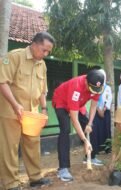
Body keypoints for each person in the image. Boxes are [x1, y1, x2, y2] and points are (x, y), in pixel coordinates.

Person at [0, 32, 55, 190]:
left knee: (33, 144)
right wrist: (15, 104)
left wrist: (44, 109)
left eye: (48, 52)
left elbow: (43, 90)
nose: (45, 54)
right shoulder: (14, 57)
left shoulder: (42, 64)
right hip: (11, 111)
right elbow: (2, 82)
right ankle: (10, 184)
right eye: (44, 50)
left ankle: (35, 178)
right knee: (9, 147)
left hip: (32, 113)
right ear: (34, 44)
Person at [52, 69, 105, 182]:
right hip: (61, 101)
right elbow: (74, 120)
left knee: (89, 126)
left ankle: (91, 157)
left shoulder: (97, 86)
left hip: (78, 104)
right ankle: (63, 168)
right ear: (86, 82)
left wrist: (89, 123)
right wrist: (85, 140)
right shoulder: (76, 88)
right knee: (65, 130)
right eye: (93, 90)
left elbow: (94, 107)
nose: (95, 92)